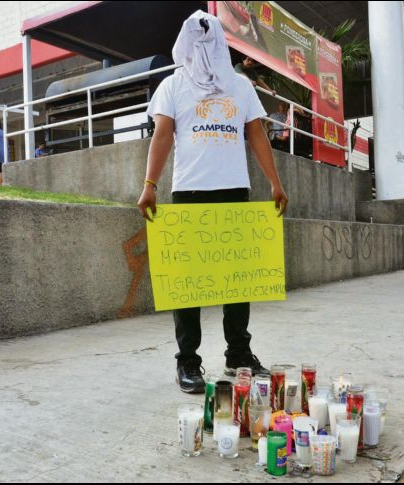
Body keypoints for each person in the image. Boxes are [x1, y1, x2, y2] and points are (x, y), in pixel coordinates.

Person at [137, 11, 288, 394]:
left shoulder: (241, 86)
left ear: (220, 42)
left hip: (234, 190)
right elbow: (162, 136)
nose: (204, 46)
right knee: (188, 284)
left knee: (238, 281)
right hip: (189, 193)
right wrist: (149, 184)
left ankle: (239, 354)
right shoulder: (173, 85)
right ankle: (187, 361)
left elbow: (257, 135)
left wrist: (275, 183)